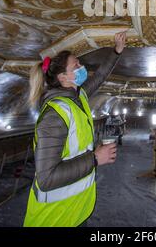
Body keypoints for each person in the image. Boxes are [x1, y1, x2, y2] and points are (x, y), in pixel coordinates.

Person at [23, 31, 127, 227]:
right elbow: (47, 178)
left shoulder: (78, 97)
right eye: (76, 66)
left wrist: (116, 51)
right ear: (63, 77)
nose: (83, 67)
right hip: (53, 218)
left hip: (76, 211)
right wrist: (96, 158)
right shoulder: (55, 114)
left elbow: (100, 77)